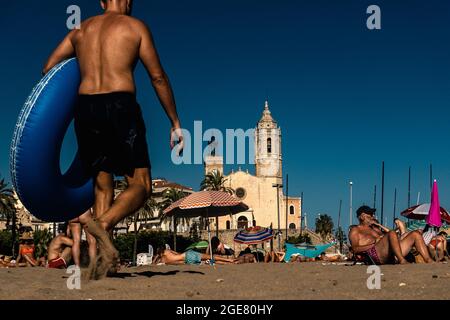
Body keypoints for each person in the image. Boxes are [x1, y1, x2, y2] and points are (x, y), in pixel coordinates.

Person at [42, 0, 183, 279]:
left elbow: (48, 68)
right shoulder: (134, 27)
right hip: (120, 106)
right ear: (128, 2)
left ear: (102, 2)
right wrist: (174, 122)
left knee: (102, 186)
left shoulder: (80, 29)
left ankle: (100, 263)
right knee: (140, 185)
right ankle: (103, 224)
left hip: (86, 109)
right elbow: (157, 77)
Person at [349, 205, 433, 264]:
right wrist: (374, 243)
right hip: (374, 255)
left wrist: (379, 227)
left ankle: (428, 260)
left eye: (372, 214)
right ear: (362, 216)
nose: (372, 216)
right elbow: (355, 249)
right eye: (370, 214)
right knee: (391, 233)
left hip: (390, 254)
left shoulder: (375, 229)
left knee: (415, 234)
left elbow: (389, 238)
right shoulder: (355, 230)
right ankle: (401, 260)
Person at [153, 248, 236, 265]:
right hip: (188, 254)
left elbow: (179, 262)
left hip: (188, 261)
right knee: (210, 256)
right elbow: (177, 253)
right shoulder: (167, 251)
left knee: (208, 262)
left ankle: (228, 264)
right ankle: (229, 260)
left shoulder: (165, 261)